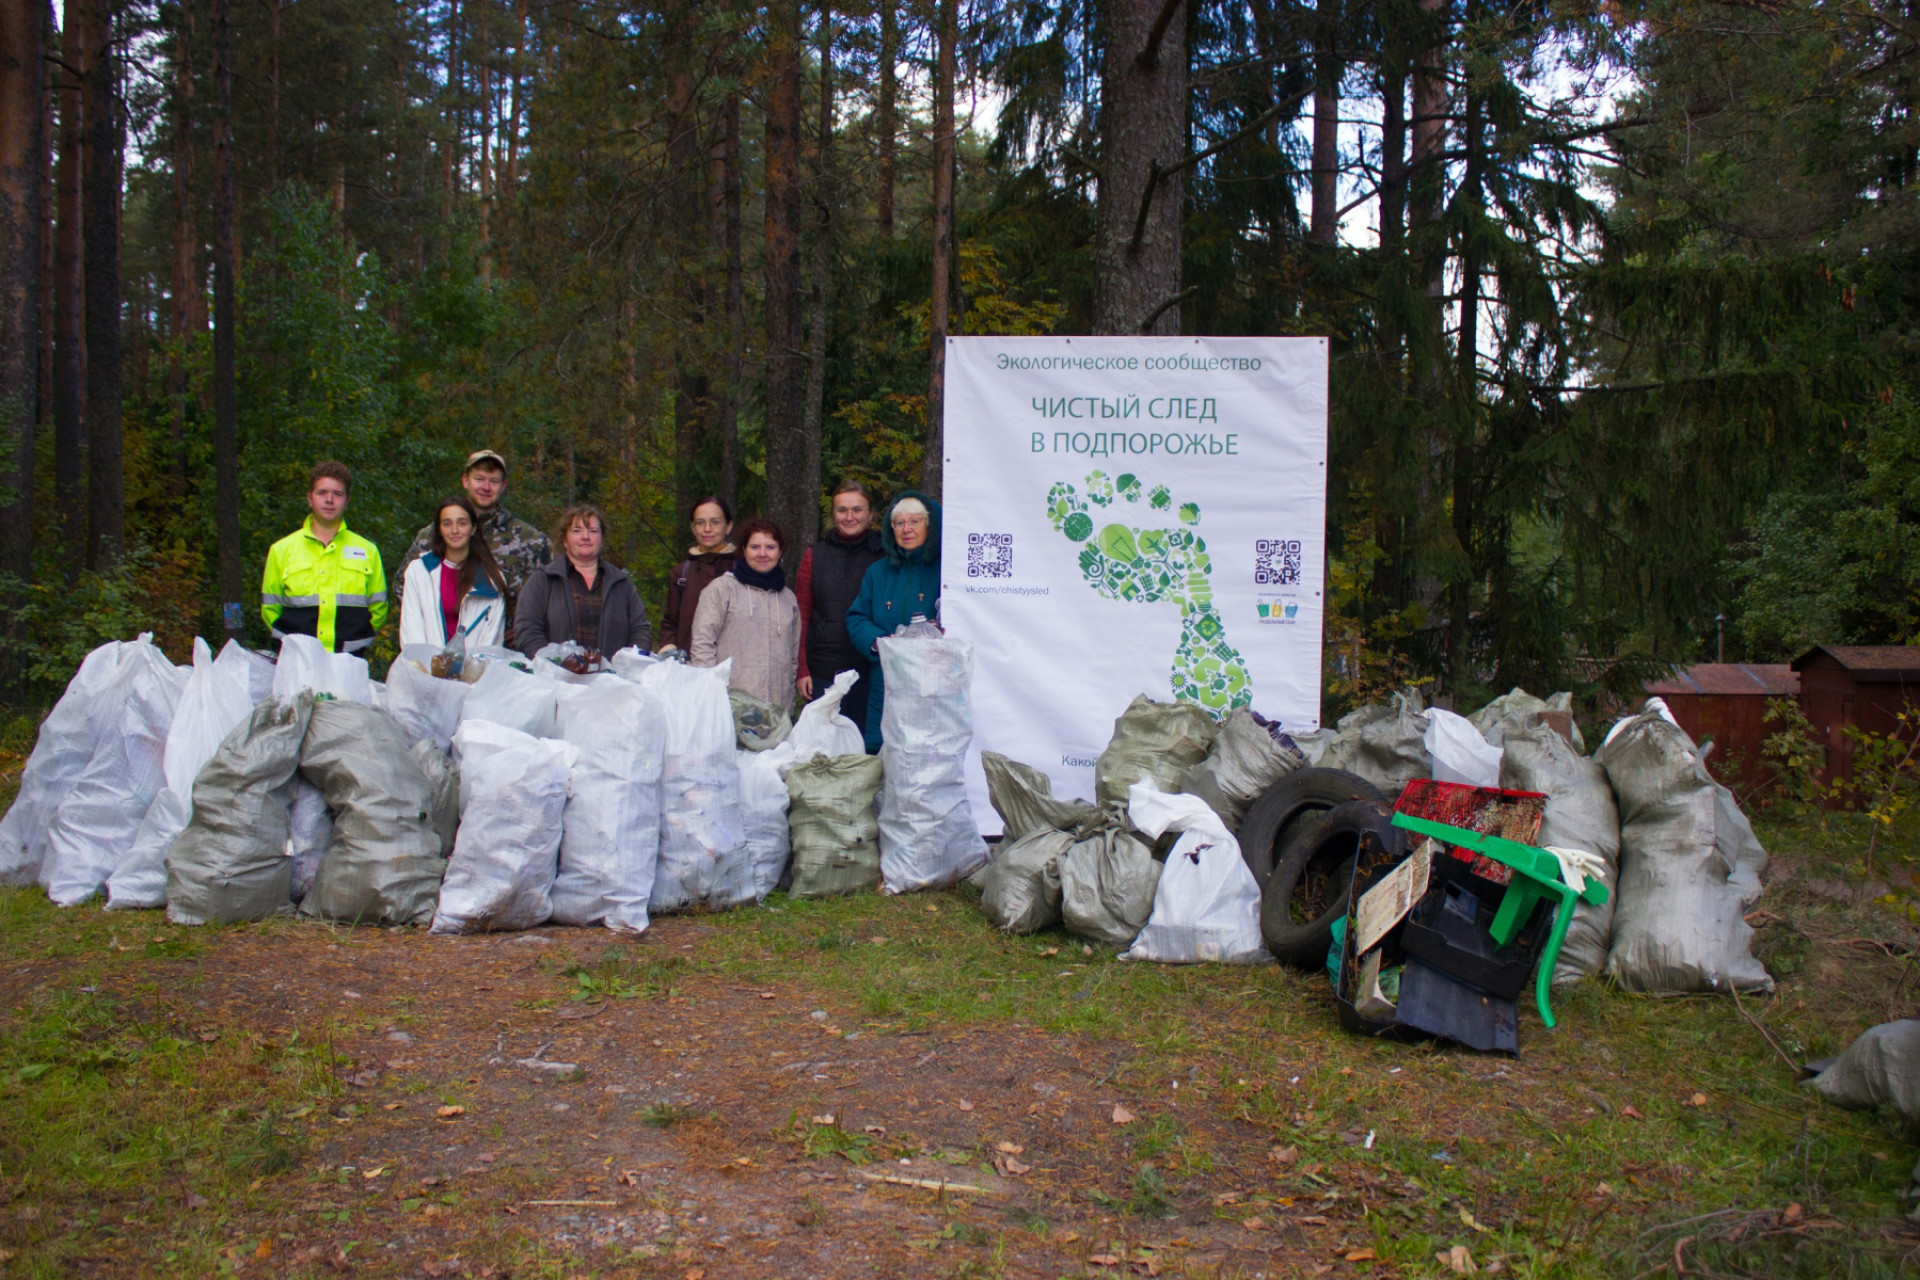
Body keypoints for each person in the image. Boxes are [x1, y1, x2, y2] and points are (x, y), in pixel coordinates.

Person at [393, 450, 551, 640]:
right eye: (479, 479)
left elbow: (553, 593)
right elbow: (403, 587)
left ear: (503, 486)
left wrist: (528, 628)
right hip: (436, 648)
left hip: (505, 652)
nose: (486, 487)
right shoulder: (432, 534)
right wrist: (427, 628)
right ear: (465, 480)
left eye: (493, 481)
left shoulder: (530, 541)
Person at [845, 491, 942, 753]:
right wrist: (878, 643)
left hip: (933, 684)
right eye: (899, 523)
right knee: (882, 753)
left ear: (930, 526)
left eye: (915, 521)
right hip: (885, 681)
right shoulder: (878, 572)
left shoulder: (946, 571)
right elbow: (857, 616)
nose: (906, 529)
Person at [261, 461, 388, 655]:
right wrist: (292, 644)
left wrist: (357, 639)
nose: (329, 500)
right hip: (296, 660)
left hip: (349, 660)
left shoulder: (368, 551)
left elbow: (378, 608)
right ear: (309, 499)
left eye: (337, 494)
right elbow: (271, 609)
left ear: (347, 501)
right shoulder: (281, 550)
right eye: (322, 493)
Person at [795, 481, 885, 728]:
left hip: (872, 672)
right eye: (842, 510)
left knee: (867, 752)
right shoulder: (815, 555)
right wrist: (801, 669)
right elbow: (801, 617)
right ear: (833, 513)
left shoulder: (886, 556)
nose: (850, 517)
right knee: (823, 751)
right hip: (824, 672)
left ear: (870, 514)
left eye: (857, 509)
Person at [689, 517, 801, 711]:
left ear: (780, 551)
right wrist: (710, 694)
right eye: (755, 547)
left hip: (777, 711)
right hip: (730, 707)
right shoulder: (721, 590)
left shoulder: (788, 598)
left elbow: (792, 656)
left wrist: (789, 702)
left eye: (770, 547)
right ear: (744, 550)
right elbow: (702, 645)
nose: (762, 554)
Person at [514, 505, 652, 657]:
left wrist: (629, 663)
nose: (585, 536)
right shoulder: (542, 581)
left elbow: (640, 631)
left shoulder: (622, 584)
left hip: (611, 678)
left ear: (602, 539)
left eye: (593, 531)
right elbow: (527, 630)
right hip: (554, 677)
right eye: (576, 530)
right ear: (564, 540)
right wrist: (554, 663)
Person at [398, 494, 510, 650]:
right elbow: (411, 629)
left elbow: (490, 643)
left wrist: (469, 672)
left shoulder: (492, 580)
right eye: (447, 524)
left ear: (473, 528)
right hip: (425, 670)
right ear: (439, 529)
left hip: (473, 671)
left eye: (462, 523)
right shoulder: (419, 571)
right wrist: (426, 669)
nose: (455, 530)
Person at [655, 496, 737, 654]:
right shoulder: (681, 575)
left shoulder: (741, 571)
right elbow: (670, 624)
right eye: (700, 522)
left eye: (715, 522)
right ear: (693, 528)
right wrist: (669, 650)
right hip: (690, 668)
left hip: (734, 668)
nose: (707, 529)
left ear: (728, 526)